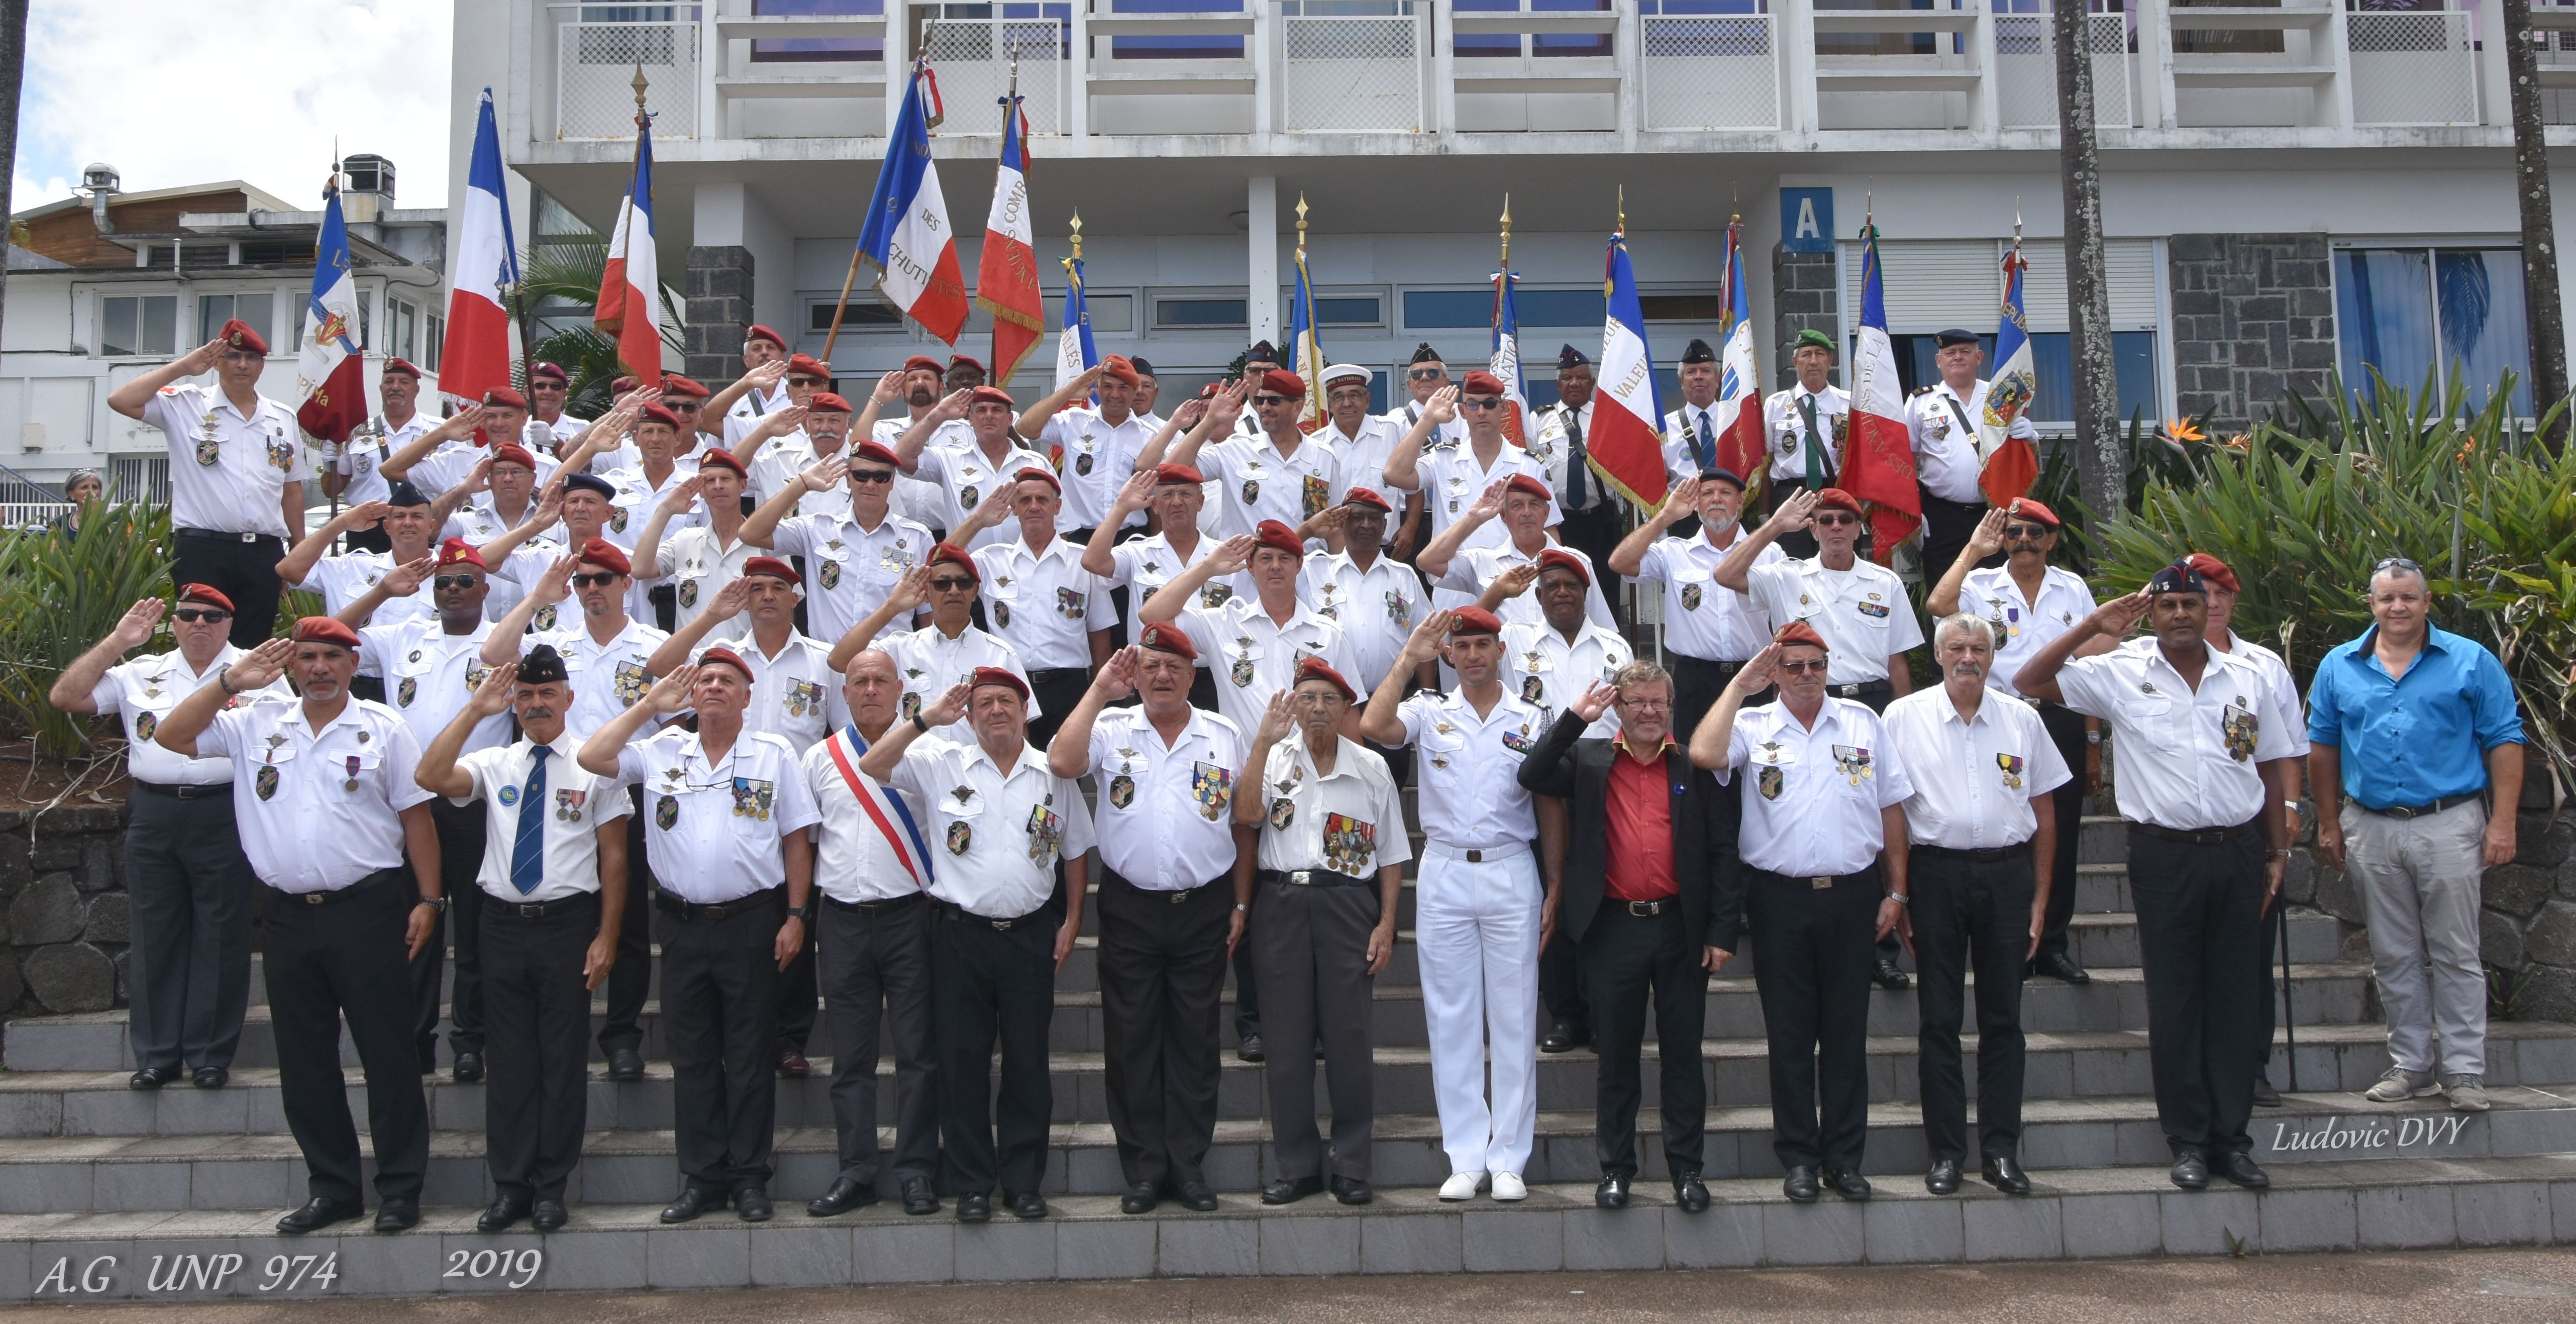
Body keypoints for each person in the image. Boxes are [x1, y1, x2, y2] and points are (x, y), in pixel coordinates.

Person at [2014, 561, 2299, 1193]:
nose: (2180, 615)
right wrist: (2093, 624)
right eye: (2167, 605)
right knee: (2175, 1000)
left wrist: (2277, 850)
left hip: (2238, 851)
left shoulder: (2248, 676)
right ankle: (2189, 1139)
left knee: (2234, 998)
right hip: (2164, 857)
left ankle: (2233, 1139)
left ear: (2208, 610)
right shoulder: (2122, 670)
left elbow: (2272, 762)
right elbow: (2029, 678)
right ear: (2153, 614)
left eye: (2190, 604)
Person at [149, 619, 441, 1234]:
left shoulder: (383, 726)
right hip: (287, 915)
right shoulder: (256, 721)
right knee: (306, 1060)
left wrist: (429, 900)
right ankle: (334, 1189)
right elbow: (171, 735)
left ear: (352, 663)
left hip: (368, 910)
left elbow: (416, 816)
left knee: (388, 1054)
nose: (319, 668)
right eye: (307, 656)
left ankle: (400, 1189)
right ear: (290, 665)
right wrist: (229, 681)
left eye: (332, 656)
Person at [579, 650, 821, 1224]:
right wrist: (648, 705)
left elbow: (796, 839)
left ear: (747, 696)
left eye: (727, 681)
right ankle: (703, 1176)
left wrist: (796, 916)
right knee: (692, 1057)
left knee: (750, 1055)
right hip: (683, 927)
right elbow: (592, 756)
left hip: (752, 923)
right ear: (690, 693)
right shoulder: (662, 750)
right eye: (705, 679)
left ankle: (749, 1176)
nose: (714, 686)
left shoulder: (774, 753)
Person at [858, 668, 1094, 1223]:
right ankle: (972, 1185)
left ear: (1025, 710)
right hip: (960, 935)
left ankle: (1023, 1182)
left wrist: (1072, 920)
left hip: (1030, 936)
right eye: (984, 703)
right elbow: (873, 765)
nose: (996, 711)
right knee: (962, 1064)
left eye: (1006, 701)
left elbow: (1076, 850)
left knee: (1028, 1063)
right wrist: (925, 719)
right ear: (968, 715)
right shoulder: (942, 762)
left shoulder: (1053, 771)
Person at [1690, 622, 1915, 1204]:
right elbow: (1704, 753)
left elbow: (1891, 806)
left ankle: (1844, 1159)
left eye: (1817, 664)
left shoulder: (1862, 722)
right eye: (1794, 665)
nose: (1808, 674)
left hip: (1853, 895)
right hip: (1778, 898)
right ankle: (1798, 1158)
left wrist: (1897, 891)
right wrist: (1739, 686)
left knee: (1846, 1033)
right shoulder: (1752, 725)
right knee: (1789, 1035)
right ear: (1776, 672)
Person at [414, 648, 630, 1234]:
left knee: (561, 1060)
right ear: (513, 702)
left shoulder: (595, 763)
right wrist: (474, 709)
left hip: (567, 924)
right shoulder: (494, 762)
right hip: (502, 925)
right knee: (508, 1062)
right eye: (526, 695)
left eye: (548, 693)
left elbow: (614, 857)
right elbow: (430, 777)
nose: (537, 704)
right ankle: (510, 1186)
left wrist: (607, 935)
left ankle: (550, 1187)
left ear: (568, 698)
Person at [1517, 660, 1739, 1212]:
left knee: (1683, 1056)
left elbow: (1722, 849)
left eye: (1658, 702)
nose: (1648, 711)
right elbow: (1533, 774)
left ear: (1671, 706)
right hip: (1613, 926)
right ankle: (1616, 1170)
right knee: (1616, 1057)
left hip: (1681, 926)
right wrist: (1575, 718)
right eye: (1637, 702)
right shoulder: (1590, 759)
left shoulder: (1693, 762)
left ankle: (1687, 1170)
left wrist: (1721, 929)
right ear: (1617, 707)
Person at [2308, 557, 2524, 1115]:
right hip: (2370, 824)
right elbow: (2323, 746)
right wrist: (2329, 822)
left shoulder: (2470, 661)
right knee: (2392, 952)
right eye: (2387, 598)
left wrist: (2502, 821)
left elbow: (2505, 738)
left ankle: (2464, 1070)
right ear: (2371, 604)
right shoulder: (2339, 665)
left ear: (2428, 602)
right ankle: (2410, 1064)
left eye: (2408, 596)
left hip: (2448, 822)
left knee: (2456, 951)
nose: (2397, 606)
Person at [1142, 522, 1363, 1062]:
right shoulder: (1225, 620)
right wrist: (1207, 567)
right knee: (1251, 900)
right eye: (1264, 558)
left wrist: (1354, 779)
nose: (1275, 567)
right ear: (1250, 566)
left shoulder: (1326, 631)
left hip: (1315, 779)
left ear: (1300, 566)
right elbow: (1153, 616)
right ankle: (1255, 1022)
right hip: (1248, 779)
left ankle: (1315, 1023)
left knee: (1313, 903)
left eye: (1285, 558)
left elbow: (1351, 712)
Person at [50, 587, 287, 1089]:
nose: (200, 623)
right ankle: (157, 1056)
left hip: (225, 808)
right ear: (174, 623)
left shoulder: (259, 669)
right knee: (154, 933)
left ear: (229, 623)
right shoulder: (142, 671)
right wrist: (118, 641)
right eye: (189, 615)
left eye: (212, 615)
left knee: (222, 934)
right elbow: (66, 697)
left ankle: (209, 1055)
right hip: (155, 809)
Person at [1360, 607, 1554, 1203]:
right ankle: (1466, 1155)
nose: (1473, 655)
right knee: (1451, 1018)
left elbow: (1551, 801)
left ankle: (1510, 1158)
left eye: (1483, 644)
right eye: (1462, 646)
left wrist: (1556, 882)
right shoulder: (1429, 712)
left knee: (1515, 1016)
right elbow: (1373, 724)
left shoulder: (1533, 715)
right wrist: (1409, 655)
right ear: (1448, 654)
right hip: (1445, 868)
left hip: (1510, 866)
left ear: (1501, 650)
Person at [1050, 627, 1246, 1214]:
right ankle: (1142, 1169)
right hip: (1131, 906)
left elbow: (1244, 822)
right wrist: (1098, 691)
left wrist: (1240, 904)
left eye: (1174, 667)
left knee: (1195, 1039)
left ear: (1192, 675)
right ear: (1135, 675)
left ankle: (1187, 1166)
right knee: (1131, 1038)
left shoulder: (1224, 735)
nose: (1162, 676)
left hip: (1203, 905)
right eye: (1152, 666)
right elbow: (1062, 761)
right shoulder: (1111, 728)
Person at [1881, 613, 2068, 1197]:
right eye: (1957, 647)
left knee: (2003, 1019)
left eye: (1979, 648)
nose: (1968, 657)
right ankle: (1946, 1153)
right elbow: (1890, 813)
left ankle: (2001, 1150)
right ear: (1939, 655)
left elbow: (2045, 815)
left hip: (2007, 877)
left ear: (1992, 656)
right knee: (1938, 1018)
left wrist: (2041, 897)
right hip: (1934, 876)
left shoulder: (2023, 719)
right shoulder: (1901, 718)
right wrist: (1900, 891)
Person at [649, 559, 849, 1077]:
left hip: (798, 807)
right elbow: (657, 667)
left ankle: (789, 1036)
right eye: (756, 588)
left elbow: (842, 735)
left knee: (793, 923)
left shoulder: (823, 659)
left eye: (778, 587)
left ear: (796, 598)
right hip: (726, 808)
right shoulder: (722, 656)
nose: (766, 596)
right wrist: (712, 615)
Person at [1721, 485, 1923, 989]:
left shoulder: (1884, 582)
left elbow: (1897, 660)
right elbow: (1726, 574)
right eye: (1826, 520)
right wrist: (1774, 526)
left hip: (1872, 706)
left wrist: (1902, 720)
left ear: (1859, 529)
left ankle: (1881, 949)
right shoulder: (1786, 575)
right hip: (1805, 697)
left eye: (1845, 520)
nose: (1835, 527)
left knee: (1873, 816)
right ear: (1811, 529)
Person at [485, 538, 672, 1080]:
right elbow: (495, 655)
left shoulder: (655, 648)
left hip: (622, 789)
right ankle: (563, 1026)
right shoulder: (556, 644)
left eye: (603, 578)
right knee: (570, 913)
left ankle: (622, 1036)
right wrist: (538, 597)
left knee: (627, 921)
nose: (592, 588)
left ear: (626, 585)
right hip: (552, 789)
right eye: (583, 580)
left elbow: (674, 724)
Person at [1238, 660, 1408, 1206]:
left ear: (1347, 709)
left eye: (1329, 699)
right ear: (1292, 705)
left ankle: (1351, 1164)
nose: (1317, 708)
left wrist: (1386, 923)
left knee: (1349, 1039)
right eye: (1306, 697)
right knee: (1285, 1042)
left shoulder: (1372, 767)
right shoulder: (1274, 758)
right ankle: (1297, 1166)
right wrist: (1261, 743)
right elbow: (1247, 813)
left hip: (1347, 905)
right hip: (1282, 902)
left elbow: (1391, 855)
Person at [340, 540, 510, 1080]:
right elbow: (328, 636)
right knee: (415, 927)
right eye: (443, 582)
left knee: (477, 931)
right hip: (410, 807)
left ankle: (470, 1041)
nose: (453, 590)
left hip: (474, 804)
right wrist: (381, 591)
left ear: (486, 588)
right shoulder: (403, 636)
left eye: (464, 581)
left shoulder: (505, 644)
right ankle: (413, 1041)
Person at [1927, 500, 2101, 986]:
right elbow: (1939, 606)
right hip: (2000, 718)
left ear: (2052, 540)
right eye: (2014, 532)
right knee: (2010, 828)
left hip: (2061, 718)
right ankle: (2012, 945)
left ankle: (2052, 944)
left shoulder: (2073, 588)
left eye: (2034, 533)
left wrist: (2092, 738)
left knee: (2059, 833)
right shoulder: (1982, 585)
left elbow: (2090, 668)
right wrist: (1972, 550)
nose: (2023, 540)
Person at [797, 648, 944, 1218]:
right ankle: (855, 1170)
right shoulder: (819, 758)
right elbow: (806, 842)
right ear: (845, 693)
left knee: (917, 1054)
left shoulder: (928, 753)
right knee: (850, 1057)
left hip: (910, 918)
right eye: (859, 681)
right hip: (842, 921)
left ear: (900, 688)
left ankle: (915, 1170)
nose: (870, 689)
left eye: (881, 680)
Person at [2184, 552, 2311, 1107]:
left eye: (2219, 594)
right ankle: (2193, 1067)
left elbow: (2287, 749)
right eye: (2199, 594)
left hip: (2253, 824)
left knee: (2252, 954)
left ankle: (2251, 1064)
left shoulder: (2263, 665)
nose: (2210, 604)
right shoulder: (2149, 662)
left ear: (2233, 600)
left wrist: (2290, 807)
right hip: (2183, 832)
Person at [107, 322, 306, 646]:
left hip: (263, 551)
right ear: (216, 362)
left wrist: (299, 549)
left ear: (262, 366)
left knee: (253, 646)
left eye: (252, 358)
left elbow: (291, 489)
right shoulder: (186, 404)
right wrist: (184, 367)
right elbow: (121, 400)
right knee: (201, 642)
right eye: (233, 356)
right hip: (204, 550)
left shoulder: (282, 417)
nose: (243, 365)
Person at [949, 466, 1113, 748]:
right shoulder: (991, 561)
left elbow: (1100, 635)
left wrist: (1101, 698)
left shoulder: (1084, 562)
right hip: (1008, 687)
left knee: (1068, 768)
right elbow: (939, 561)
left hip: (1069, 688)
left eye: (1042, 499)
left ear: (1058, 507)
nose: (1034, 506)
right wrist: (977, 520)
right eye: (1025, 500)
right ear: (1014, 508)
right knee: (1010, 765)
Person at [1611, 470, 1783, 739]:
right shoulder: (1674, 552)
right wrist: (1666, 516)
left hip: (1753, 676)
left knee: (1757, 756)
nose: (1716, 499)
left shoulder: (1770, 554)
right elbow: (1620, 562)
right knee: (1691, 758)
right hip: (1694, 679)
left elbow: (1787, 616)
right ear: (1696, 504)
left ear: (1740, 502)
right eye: (1707, 493)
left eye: (1725, 493)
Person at [741, 440, 936, 652]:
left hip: (888, 660)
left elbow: (928, 612)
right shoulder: (818, 529)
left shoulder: (918, 537)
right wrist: (801, 484)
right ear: (848, 480)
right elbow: (750, 534)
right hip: (825, 659)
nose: (871, 484)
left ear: (892, 482)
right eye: (862, 475)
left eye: (881, 477)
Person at [828, 548, 1039, 743]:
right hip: (909, 768)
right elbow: (839, 661)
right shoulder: (899, 648)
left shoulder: (1001, 654)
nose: (954, 591)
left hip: (974, 770)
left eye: (963, 583)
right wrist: (891, 607)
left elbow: (1020, 730)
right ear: (927, 593)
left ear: (975, 591)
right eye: (942, 584)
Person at [1382, 378, 1559, 601]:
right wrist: (1428, 419)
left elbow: (1549, 531)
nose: (1482, 412)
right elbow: (1394, 474)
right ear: (1463, 411)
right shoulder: (1444, 459)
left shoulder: (1530, 465)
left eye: (1490, 404)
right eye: (1473, 405)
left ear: (1504, 408)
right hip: (1455, 590)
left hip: (1516, 590)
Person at [1083, 462, 1242, 708]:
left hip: (1212, 678)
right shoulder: (1138, 552)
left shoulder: (1225, 555)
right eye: (1167, 495)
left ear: (1200, 502)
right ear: (1155, 506)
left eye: (1185, 494)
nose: (1177, 502)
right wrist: (1121, 507)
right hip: (1154, 677)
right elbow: (1093, 561)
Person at [1304, 487, 1431, 784]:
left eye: (1374, 519)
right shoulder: (1316, 569)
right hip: (1329, 705)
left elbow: (1424, 639)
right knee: (1331, 787)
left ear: (1385, 526)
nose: (1366, 525)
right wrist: (1309, 529)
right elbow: (1275, 556)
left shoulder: (1404, 576)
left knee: (1389, 786)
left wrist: (1427, 693)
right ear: (1343, 523)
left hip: (1387, 705)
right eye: (1357, 517)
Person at [1908, 330, 2037, 575]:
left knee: (1995, 584)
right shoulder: (1921, 402)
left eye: (1965, 352)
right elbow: (1904, 458)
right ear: (1939, 361)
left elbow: (2019, 456)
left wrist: (2031, 438)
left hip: (1993, 512)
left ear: (1979, 358)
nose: (1958, 357)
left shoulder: (2000, 397)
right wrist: (1914, 510)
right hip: (1941, 515)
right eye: (1950, 353)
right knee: (1943, 584)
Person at [1162, 370, 1346, 543]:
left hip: (1308, 563)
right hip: (1244, 564)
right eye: (1260, 400)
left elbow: (1335, 527)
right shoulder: (1236, 449)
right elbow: (1170, 471)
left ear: (1297, 407)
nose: (1264, 408)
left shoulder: (1324, 457)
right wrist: (1211, 420)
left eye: (1274, 401)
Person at [1419, 475, 1614, 632]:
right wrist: (1474, 518)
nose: (1527, 512)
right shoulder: (1484, 561)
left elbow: (1603, 629)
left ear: (1546, 513)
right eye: (1517, 506)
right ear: (1504, 516)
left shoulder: (1576, 561)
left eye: (1534, 505)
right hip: (1504, 665)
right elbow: (1428, 561)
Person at [277, 480, 457, 633]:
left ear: (431, 526)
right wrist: (342, 523)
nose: (408, 523)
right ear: (387, 527)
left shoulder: (452, 575)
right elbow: (288, 569)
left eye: (417, 516)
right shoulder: (352, 567)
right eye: (400, 516)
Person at [893, 385, 1052, 551]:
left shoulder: (1036, 463)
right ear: (970, 418)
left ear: (1010, 419)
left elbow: (1059, 525)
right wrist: (939, 414)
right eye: (981, 410)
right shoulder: (950, 459)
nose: (989, 415)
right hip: (966, 566)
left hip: (1023, 564)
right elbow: (901, 458)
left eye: (997, 410)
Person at [1017, 357, 1156, 545]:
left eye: (1123, 388)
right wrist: (1069, 392)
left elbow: (1157, 496)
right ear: (1097, 388)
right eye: (1107, 387)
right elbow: (1025, 427)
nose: (1115, 394)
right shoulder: (1074, 422)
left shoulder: (1150, 436)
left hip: (1131, 539)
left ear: (1134, 391)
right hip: (1078, 538)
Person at [636, 447, 760, 637]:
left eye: (726, 479)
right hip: (692, 655)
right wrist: (665, 510)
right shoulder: (685, 540)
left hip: (743, 655)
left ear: (743, 486)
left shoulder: (765, 544)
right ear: (701, 491)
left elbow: (785, 608)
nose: (718, 486)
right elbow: (639, 569)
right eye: (709, 481)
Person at [1530, 345, 1617, 588]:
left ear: (1593, 383)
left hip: (1601, 521)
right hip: (1557, 522)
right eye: (1567, 378)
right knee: (1560, 586)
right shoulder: (1540, 419)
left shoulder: (1608, 418)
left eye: (1582, 377)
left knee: (1605, 587)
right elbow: (1530, 468)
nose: (1575, 383)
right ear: (1557, 385)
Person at [324, 359, 432, 548]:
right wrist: (328, 463)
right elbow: (330, 490)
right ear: (381, 388)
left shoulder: (437, 432)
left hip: (419, 527)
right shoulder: (356, 432)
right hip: (367, 529)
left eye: (404, 382)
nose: (395, 387)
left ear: (417, 390)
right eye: (389, 381)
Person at [1760, 330, 1849, 558]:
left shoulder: (1848, 404)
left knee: (1836, 562)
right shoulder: (1776, 405)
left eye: (1820, 354)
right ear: (1795, 362)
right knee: (1791, 565)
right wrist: (1765, 514)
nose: (1813, 361)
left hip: (1834, 494)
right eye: (1806, 354)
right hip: (1790, 495)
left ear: (1831, 360)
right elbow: (1765, 464)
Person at [1313, 364, 1412, 544]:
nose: (1347, 403)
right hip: (1333, 550)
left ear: (1367, 400)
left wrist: (1410, 527)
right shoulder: (1315, 446)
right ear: (1330, 404)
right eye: (1338, 397)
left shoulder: (1394, 432)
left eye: (1354, 395)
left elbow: (1415, 485)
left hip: (1387, 548)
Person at [1662, 339, 1737, 499]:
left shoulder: (1736, 421)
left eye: (1705, 371)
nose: (1698, 377)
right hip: (1684, 511)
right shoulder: (1665, 428)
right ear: (1681, 381)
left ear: (1718, 379)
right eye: (1691, 372)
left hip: (1729, 509)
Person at [1384, 343, 1466, 452]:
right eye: (1417, 374)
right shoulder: (1396, 420)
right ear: (1409, 385)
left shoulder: (1463, 415)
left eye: (1433, 373)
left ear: (1446, 383)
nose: (1424, 377)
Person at [526, 361, 589, 453]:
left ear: (564, 394)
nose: (548, 392)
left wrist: (555, 442)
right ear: (528, 392)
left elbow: (589, 462)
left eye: (556, 387)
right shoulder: (517, 431)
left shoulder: (582, 429)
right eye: (540, 386)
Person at [49, 469, 105, 540]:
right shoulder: (60, 522)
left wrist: (94, 512)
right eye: (84, 488)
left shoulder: (112, 521)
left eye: (95, 487)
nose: (91, 492)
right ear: (72, 494)